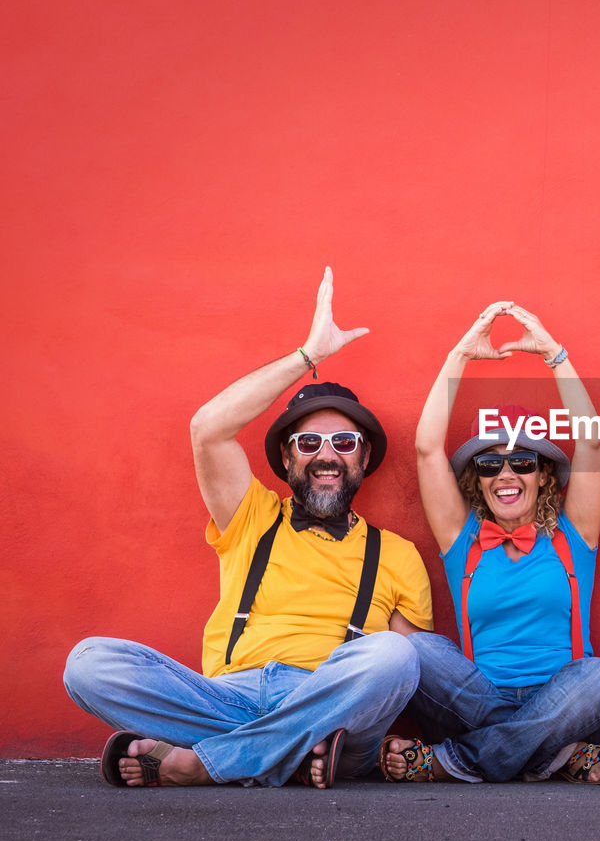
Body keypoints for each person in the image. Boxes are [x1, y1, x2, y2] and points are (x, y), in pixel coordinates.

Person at [63, 268, 433, 788]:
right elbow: (207, 429)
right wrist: (309, 356)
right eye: (308, 443)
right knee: (87, 663)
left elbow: (410, 674)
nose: (327, 455)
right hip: (230, 694)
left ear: (364, 456)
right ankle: (288, 753)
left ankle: (202, 762)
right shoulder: (252, 515)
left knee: (396, 656)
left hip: (330, 707)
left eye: (345, 444)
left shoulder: (396, 554)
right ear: (286, 456)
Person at [379, 301, 600, 785]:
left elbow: (593, 442)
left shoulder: (573, 533)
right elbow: (426, 448)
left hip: (569, 699)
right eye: (490, 464)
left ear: (543, 475)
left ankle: (456, 761)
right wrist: (460, 356)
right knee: (416, 650)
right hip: (479, 701)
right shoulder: (464, 537)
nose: (506, 474)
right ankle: (555, 757)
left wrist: (555, 354)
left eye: (522, 461)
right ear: (478, 479)